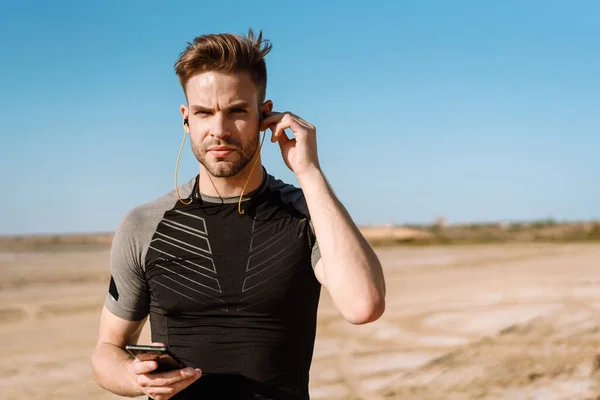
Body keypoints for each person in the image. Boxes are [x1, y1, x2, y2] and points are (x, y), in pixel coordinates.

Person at [91, 29, 386, 400]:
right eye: (204, 113)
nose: (219, 130)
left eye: (236, 112)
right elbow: (107, 351)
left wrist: (308, 172)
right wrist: (136, 377)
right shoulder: (143, 224)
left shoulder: (304, 214)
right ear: (186, 119)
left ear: (265, 115)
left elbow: (364, 305)